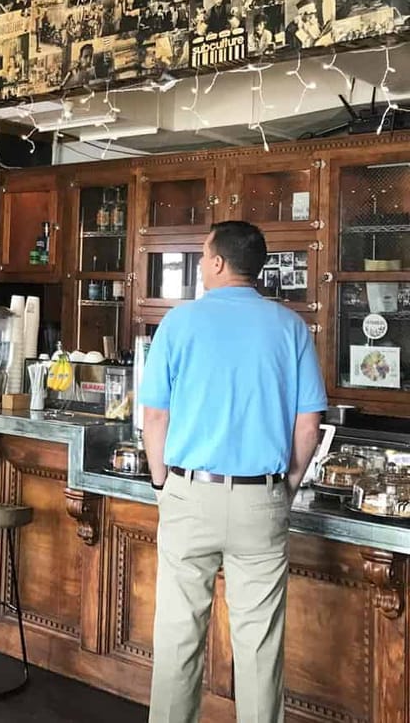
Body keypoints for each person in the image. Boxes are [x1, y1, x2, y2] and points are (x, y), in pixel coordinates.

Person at [139, 221, 326, 723]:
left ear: (219, 262)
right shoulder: (290, 327)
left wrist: (161, 484)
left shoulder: (179, 323)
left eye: (203, 255)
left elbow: (154, 417)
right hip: (260, 499)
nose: (202, 263)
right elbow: (308, 426)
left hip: (189, 491)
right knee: (260, 648)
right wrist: (285, 488)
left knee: (178, 637)